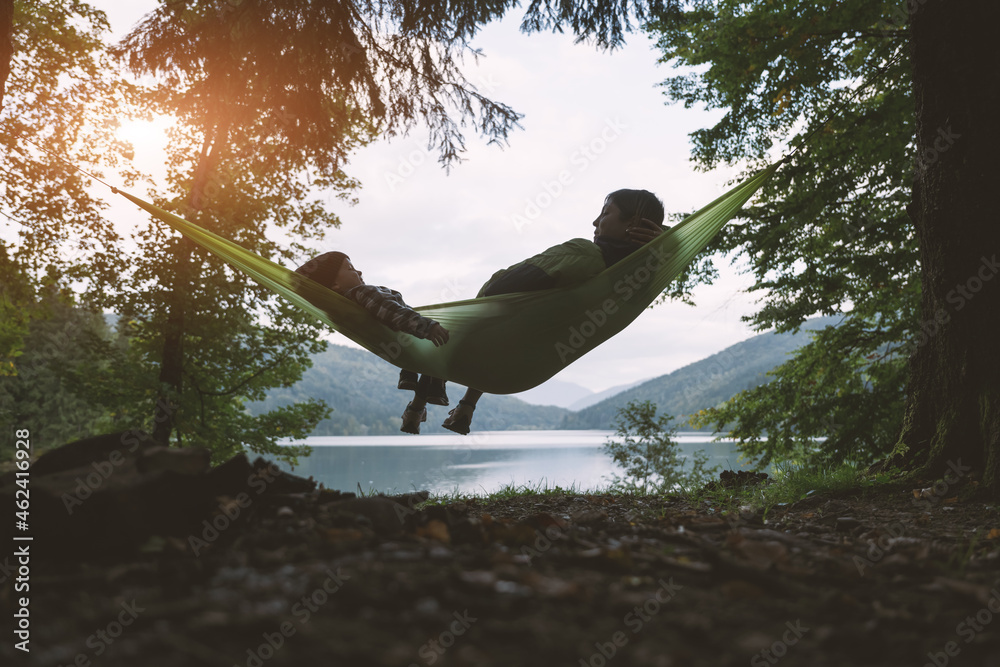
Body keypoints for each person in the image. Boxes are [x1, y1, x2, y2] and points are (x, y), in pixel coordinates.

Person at [440, 188, 667, 435]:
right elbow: (676, 246)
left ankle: (430, 388)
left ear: (632, 223)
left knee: (436, 321)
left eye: (605, 213)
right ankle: (464, 404)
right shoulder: (639, 281)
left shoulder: (585, 255)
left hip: (487, 347)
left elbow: (497, 291)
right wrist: (664, 239)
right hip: (524, 370)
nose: (595, 222)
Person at [294, 251, 449, 434]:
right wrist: (427, 327)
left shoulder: (344, 307)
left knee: (431, 363)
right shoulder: (362, 292)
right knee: (443, 349)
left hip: (402, 344)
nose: (359, 271)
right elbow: (391, 311)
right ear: (335, 284)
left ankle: (415, 406)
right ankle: (424, 403)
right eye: (350, 268)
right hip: (410, 335)